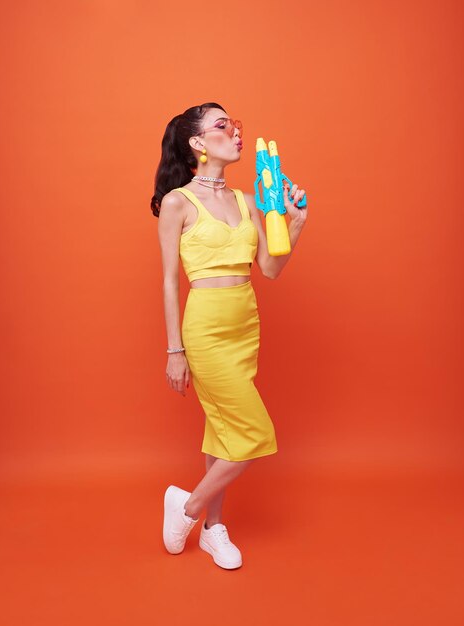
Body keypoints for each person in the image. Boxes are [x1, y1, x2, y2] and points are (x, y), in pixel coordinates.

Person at [151, 102, 307, 569]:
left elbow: (269, 270)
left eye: (235, 125)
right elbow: (169, 280)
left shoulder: (245, 201)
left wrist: (294, 224)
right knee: (253, 434)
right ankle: (187, 509)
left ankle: (214, 530)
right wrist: (174, 349)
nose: (236, 132)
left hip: (245, 325)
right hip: (206, 330)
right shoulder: (179, 202)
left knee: (222, 432)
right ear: (198, 143)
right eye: (222, 126)